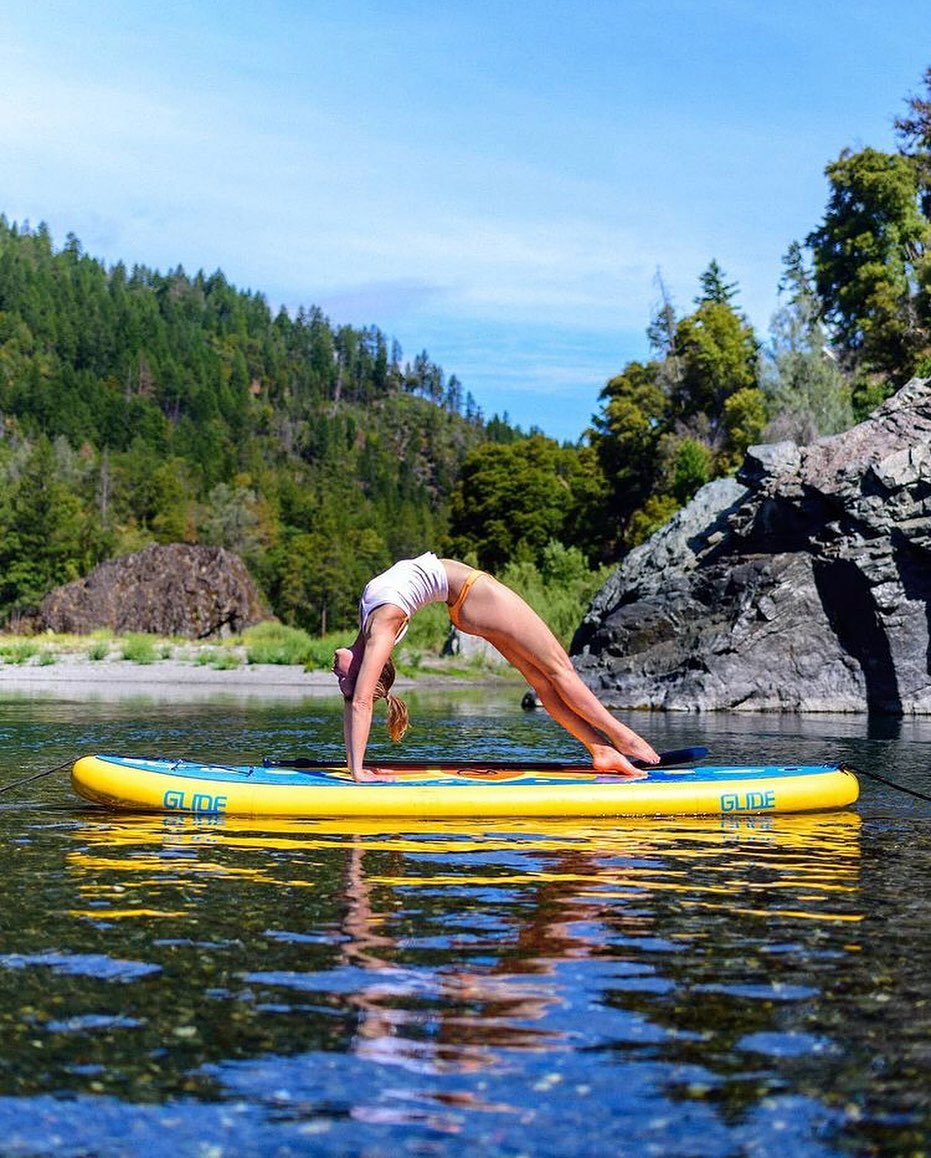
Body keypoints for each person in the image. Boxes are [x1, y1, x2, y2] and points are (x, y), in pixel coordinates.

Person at [332, 552, 659, 783]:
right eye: (344, 681)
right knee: (561, 671)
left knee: (542, 683)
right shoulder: (381, 631)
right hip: (476, 596)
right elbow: (360, 702)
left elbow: (358, 699)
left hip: (467, 606)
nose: (337, 675)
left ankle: (600, 750)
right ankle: (623, 737)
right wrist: (359, 772)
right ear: (362, 669)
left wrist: (353, 765)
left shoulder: (369, 623)